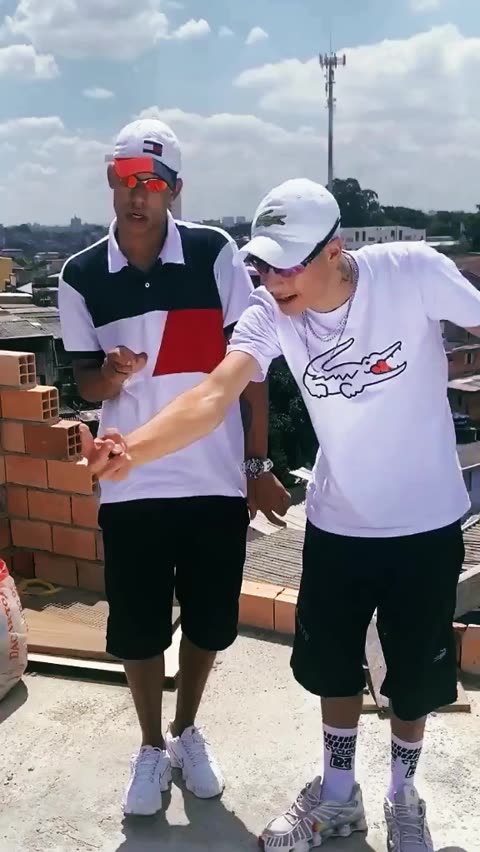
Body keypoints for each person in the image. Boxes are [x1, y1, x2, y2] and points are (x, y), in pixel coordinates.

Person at [83, 176, 480, 852]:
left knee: (414, 678)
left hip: (425, 522)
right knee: (331, 667)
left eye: (288, 264)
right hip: (338, 522)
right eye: (263, 264)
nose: (272, 279)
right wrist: (133, 450)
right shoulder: (270, 311)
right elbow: (214, 394)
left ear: (334, 250)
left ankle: (403, 796)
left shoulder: (411, 272)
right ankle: (338, 796)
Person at [58, 118, 290, 818]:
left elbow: (250, 369)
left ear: (174, 189)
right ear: (111, 181)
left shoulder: (215, 254)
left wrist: (256, 462)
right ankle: (151, 745)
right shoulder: (80, 276)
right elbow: (85, 382)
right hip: (132, 480)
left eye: (153, 182)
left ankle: (188, 730)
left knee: (209, 621)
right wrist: (113, 376)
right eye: (126, 179)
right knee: (138, 626)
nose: (138, 194)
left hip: (214, 479)